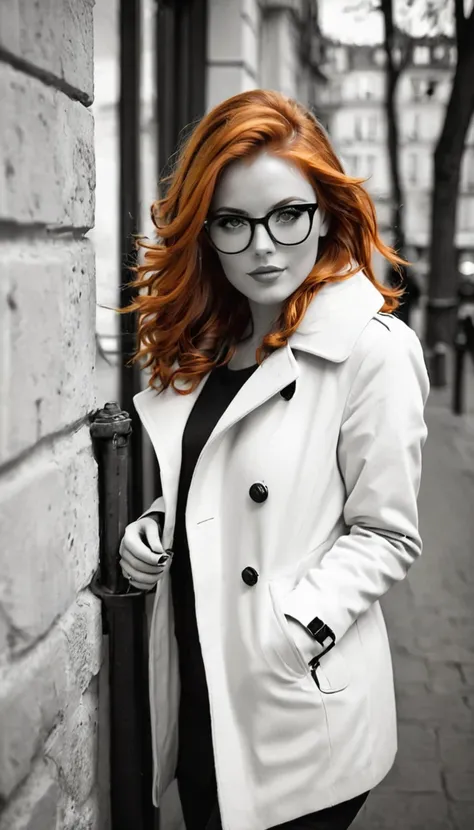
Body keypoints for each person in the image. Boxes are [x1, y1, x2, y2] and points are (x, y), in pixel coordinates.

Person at [119, 89, 429, 830]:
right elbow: (211, 485)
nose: (262, 246)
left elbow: (387, 534)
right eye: (233, 221)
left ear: (324, 212)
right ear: (204, 230)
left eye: (287, 215)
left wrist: (289, 632)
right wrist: (154, 531)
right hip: (197, 683)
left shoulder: (370, 350)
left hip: (291, 706)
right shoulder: (206, 347)